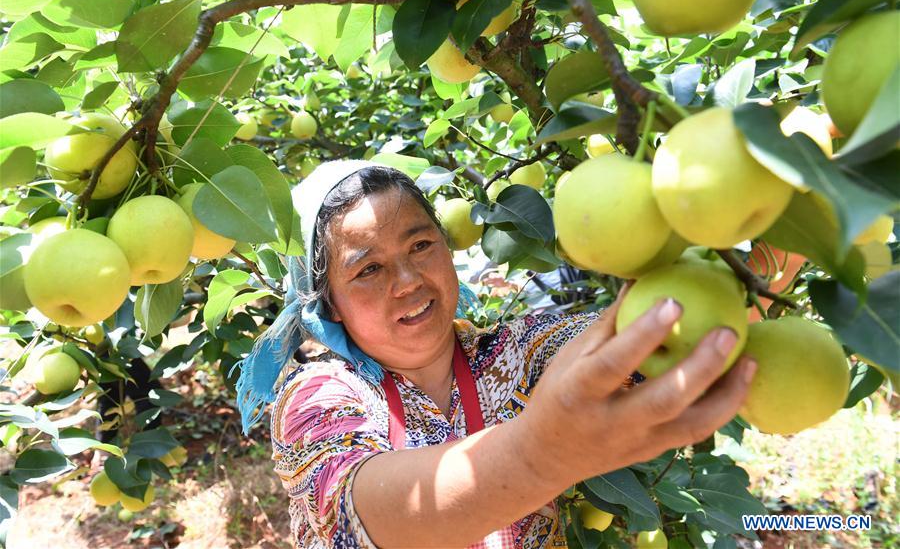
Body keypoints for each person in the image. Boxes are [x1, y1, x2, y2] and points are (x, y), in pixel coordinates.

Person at [234, 160, 757, 548]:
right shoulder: (318, 397)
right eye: (368, 269)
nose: (409, 282)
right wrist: (540, 453)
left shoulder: (515, 353)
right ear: (330, 303)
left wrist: (768, 225)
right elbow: (370, 512)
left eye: (421, 246)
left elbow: (662, 339)